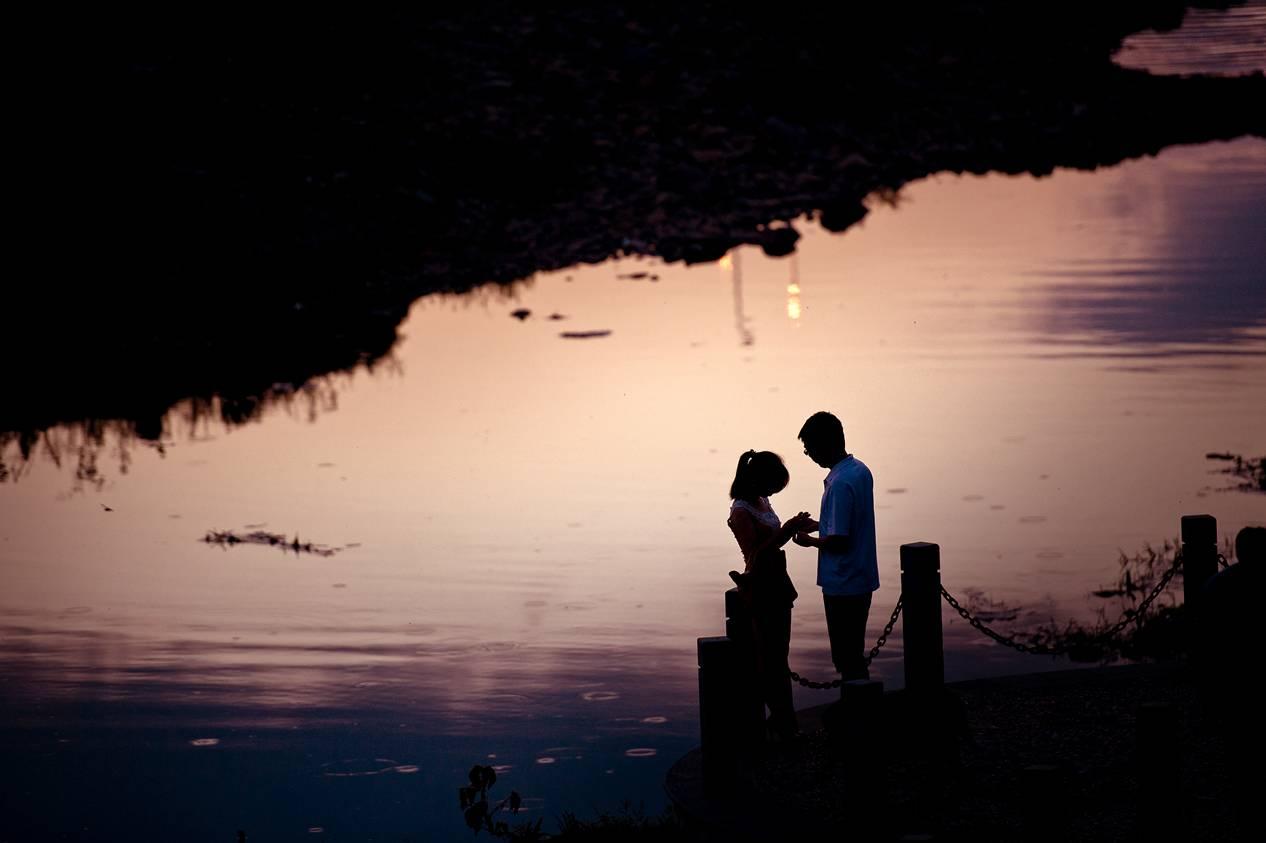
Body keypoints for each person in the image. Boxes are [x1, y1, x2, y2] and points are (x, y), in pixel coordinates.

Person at [727, 450, 814, 741]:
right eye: (772, 485)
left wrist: (795, 527)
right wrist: (786, 530)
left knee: (780, 655)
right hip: (760, 587)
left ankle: (784, 720)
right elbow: (755, 555)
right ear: (758, 480)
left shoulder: (762, 501)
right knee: (770, 659)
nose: (774, 492)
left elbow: (773, 542)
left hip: (778, 582)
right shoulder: (740, 512)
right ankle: (781, 722)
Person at [792, 411, 879, 681]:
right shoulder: (859, 470)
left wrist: (809, 541)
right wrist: (821, 524)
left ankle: (855, 702)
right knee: (854, 650)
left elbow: (839, 541)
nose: (809, 454)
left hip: (843, 581)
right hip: (861, 575)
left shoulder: (839, 484)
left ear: (824, 445)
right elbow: (851, 523)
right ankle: (859, 698)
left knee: (845, 656)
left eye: (809, 448)